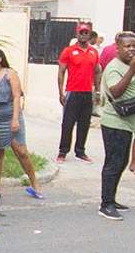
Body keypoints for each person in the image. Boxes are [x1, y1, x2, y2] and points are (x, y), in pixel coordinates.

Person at [0, 48, 42, 200]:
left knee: (21, 151)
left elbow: (16, 97)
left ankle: (34, 182)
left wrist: (15, 119)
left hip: (11, 116)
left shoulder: (10, 74)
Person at [98, 33, 135, 219]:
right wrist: (131, 71)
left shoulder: (129, 65)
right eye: (127, 46)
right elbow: (116, 91)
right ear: (118, 48)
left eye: (133, 46)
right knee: (113, 163)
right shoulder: (114, 67)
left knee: (120, 163)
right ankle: (105, 205)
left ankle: (112, 199)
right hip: (114, 123)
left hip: (127, 123)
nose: (131, 49)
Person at [57, 24, 101, 163]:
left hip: (87, 92)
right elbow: (61, 71)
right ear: (77, 34)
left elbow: (98, 71)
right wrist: (61, 92)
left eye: (86, 32)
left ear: (89, 35)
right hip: (72, 92)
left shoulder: (94, 52)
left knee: (84, 123)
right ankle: (63, 152)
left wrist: (98, 91)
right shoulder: (68, 51)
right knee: (68, 123)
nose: (83, 34)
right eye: (81, 32)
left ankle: (80, 151)